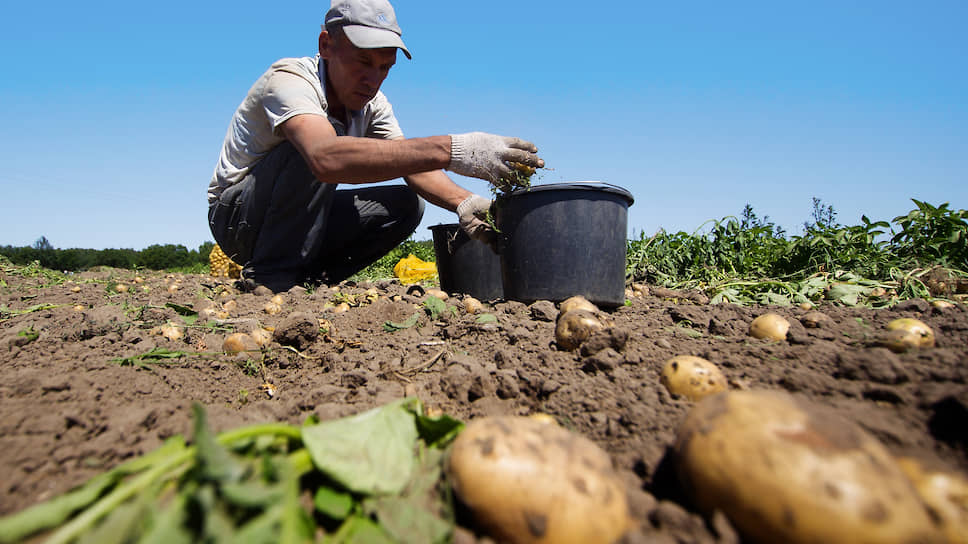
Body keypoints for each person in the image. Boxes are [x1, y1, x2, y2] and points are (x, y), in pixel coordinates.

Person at [207, 0, 543, 292]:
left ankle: (309, 281)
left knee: (408, 205)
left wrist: (465, 203)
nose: (373, 79)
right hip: (238, 216)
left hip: (301, 220)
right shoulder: (290, 80)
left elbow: (411, 165)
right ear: (326, 44)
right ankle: (270, 278)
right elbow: (325, 158)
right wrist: (456, 149)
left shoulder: (373, 105)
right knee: (314, 149)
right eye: (363, 62)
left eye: (385, 68)